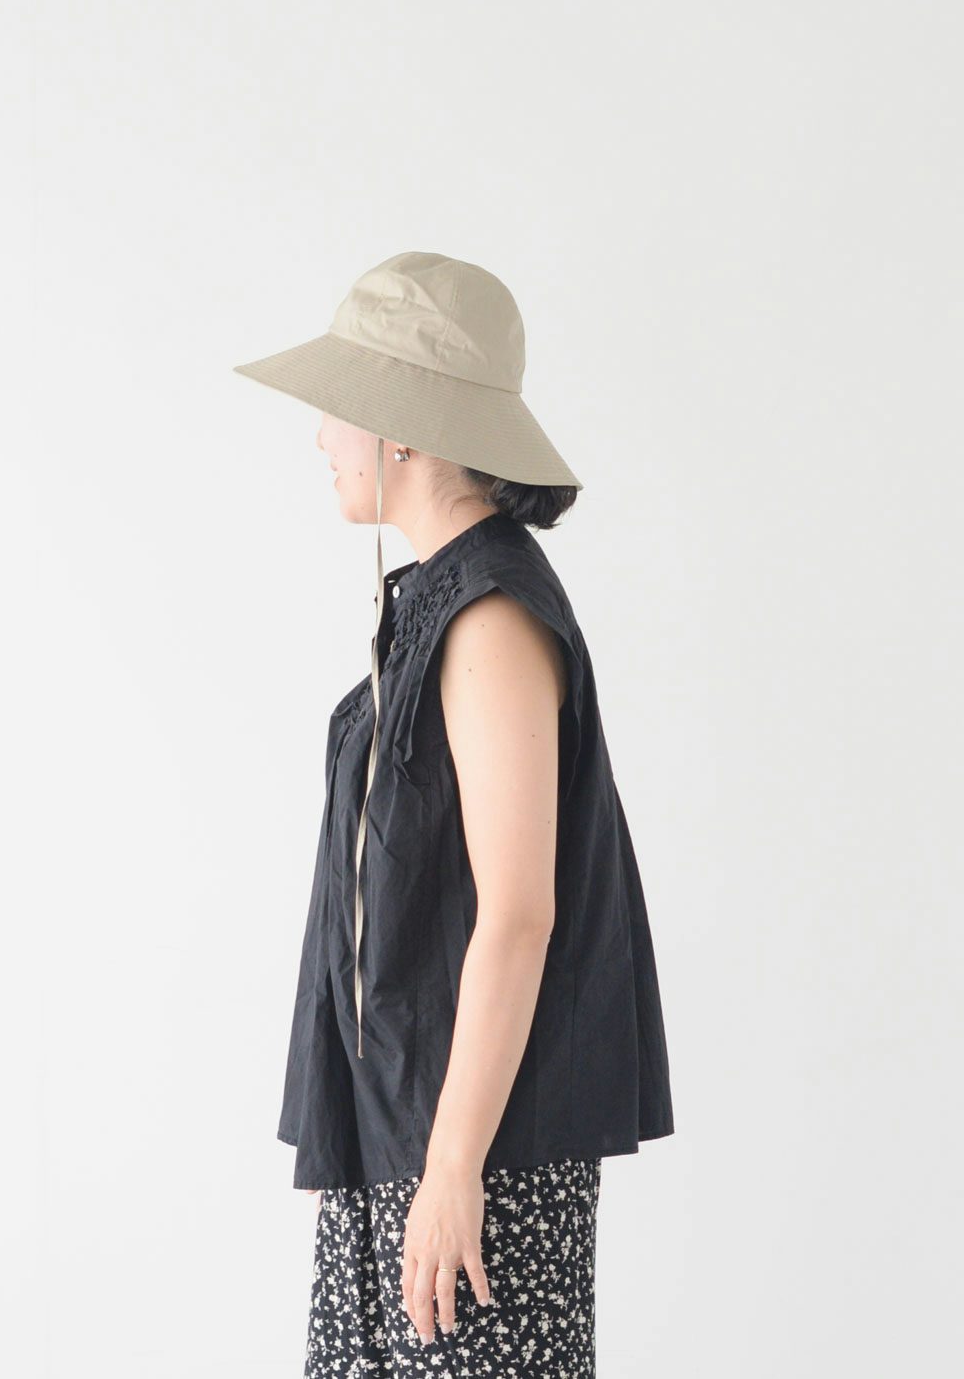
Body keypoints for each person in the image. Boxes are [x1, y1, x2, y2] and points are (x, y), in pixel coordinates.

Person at [233, 251, 674, 1377]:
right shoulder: (442, 599)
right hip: (412, 1138)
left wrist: (451, 1170)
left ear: (402, 430)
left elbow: (519, 915)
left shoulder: (488, 619)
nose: (319, 437)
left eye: (336, 408)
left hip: (472, 1161)